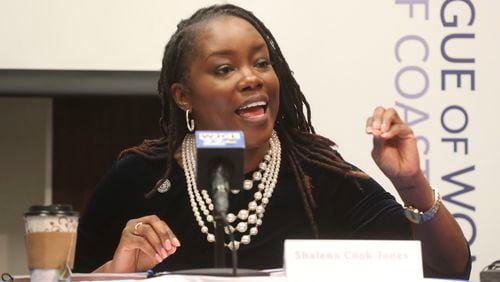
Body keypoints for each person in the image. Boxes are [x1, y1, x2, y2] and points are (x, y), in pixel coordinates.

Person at [74, 4, 471, 279]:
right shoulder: (137, 179)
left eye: (262, 62)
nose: (252, 78)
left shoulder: (319, 177)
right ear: (183, 96)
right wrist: (116, 272)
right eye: (225, 68)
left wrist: (411, 183)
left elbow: (448, 270)